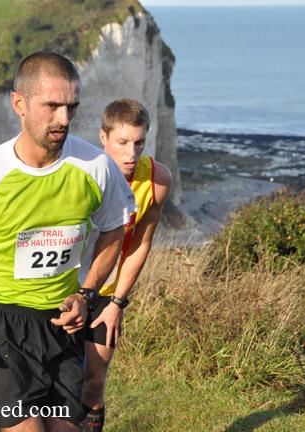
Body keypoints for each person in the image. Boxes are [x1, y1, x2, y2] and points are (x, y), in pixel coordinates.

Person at [0, 52, 135, 432]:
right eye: (51, 106)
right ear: (19, 103)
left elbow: (114, 228)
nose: (64, 119)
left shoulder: (96, 167)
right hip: (2, 328)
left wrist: (86, 294)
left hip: (65, 323)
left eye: (72, 107)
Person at [80, 99, 172, 432]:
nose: (131, 153)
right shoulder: (81, 174)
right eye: (122, 142)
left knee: (94, 380)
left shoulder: (157, 179)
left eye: (139, 143)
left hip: (105, 293)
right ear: (103, 137)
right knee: (55, 381)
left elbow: (139, 244)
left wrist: (117, 303)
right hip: (63, 288)